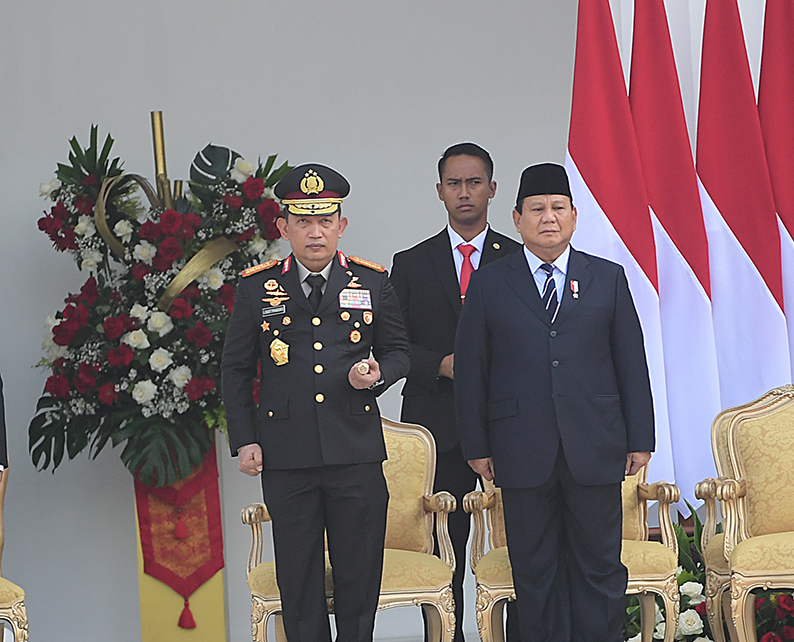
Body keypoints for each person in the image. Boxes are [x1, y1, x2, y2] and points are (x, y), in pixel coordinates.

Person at [454, 163, 655, 642]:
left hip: (595, 443)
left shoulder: (606, 278)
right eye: (537, 209)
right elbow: (472, 371)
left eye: (558, 208)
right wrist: (476, 444)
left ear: (574, 216)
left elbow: (631, 362)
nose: (549, 218)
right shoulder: (489, 283)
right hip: (519, 448)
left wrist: (640, 438)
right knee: (535, 571)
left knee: (600, 568)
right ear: (517, 218)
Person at [222, 163, 410, 642]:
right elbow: (237, 370)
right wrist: (244, 439)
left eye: (325, 220)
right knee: (299, 581)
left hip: (356, 453)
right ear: (283, 227)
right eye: (303, 221)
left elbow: (399, 351)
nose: (315, 232)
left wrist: (378, 374)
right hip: (288, 454)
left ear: (341, 226)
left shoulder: (371, 283)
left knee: (358, 575)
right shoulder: (256, 287)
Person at [390, 142, 520, 642]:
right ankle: (446, 637)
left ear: (491, 188)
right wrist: (439, 364)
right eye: (453, 183)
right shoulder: (411, 262)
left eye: (473, 182)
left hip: (509, 425)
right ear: (439, 191)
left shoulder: (519, 258)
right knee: (443, 550)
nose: (464, 193)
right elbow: (394, 343)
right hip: (437, 429)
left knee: (514, 550)